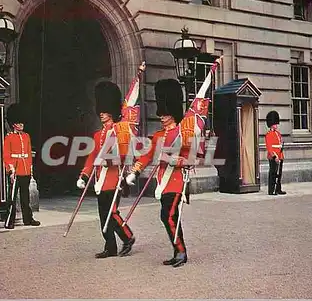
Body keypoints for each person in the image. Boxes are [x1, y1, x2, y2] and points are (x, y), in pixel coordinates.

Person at [125, 74, 213, 267]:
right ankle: (177, 251)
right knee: (168, 216)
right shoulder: (158, 136)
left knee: (168, 215)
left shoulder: (183, 132)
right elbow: (147, 156)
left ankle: (181, 251)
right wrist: (135, 171)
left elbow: (193, 159)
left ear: (172, 112)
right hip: (163, 184)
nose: (161, 116)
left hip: (176, 181)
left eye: (165, 113)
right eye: (161, 113)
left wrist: (176, 161)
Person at [76, 62, 145, 258]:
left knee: (112, 213)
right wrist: (84, 174)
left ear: (111, 111)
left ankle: (128, 236)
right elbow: (92, 157)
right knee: (102, 214)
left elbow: (124, 155)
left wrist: (111, 161)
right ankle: (110, 247)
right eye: (101, 110)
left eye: (105, 110)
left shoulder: (120, 131)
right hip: (100, 179)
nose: (102, 113)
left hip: (114, 177)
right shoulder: (98, 135)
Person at [3, 103, 41, 229]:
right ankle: (9, 220)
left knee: (26, 197)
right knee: (12, 198)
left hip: (25, 170)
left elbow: (29, 154)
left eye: (22, 123)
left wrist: (30, 169)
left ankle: (28, 219)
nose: (22, 125)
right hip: (15, 171)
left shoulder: (26, 136)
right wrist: (11, 170)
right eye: (19, 123)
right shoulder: (9, 137)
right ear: (14, 124)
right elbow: (7, 155)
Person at [265, 110, 286, 196]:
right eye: (275, 124)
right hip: (273, 156)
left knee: (279, 174)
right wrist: (275, 157)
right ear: (271, 124)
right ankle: (271, 190)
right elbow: (269, 147)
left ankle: (278, 189)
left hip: (280, 155)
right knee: (273, 173)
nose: (276, 125)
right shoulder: (269, 134)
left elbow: (279, 144)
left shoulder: (278, 134)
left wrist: (280, 155)